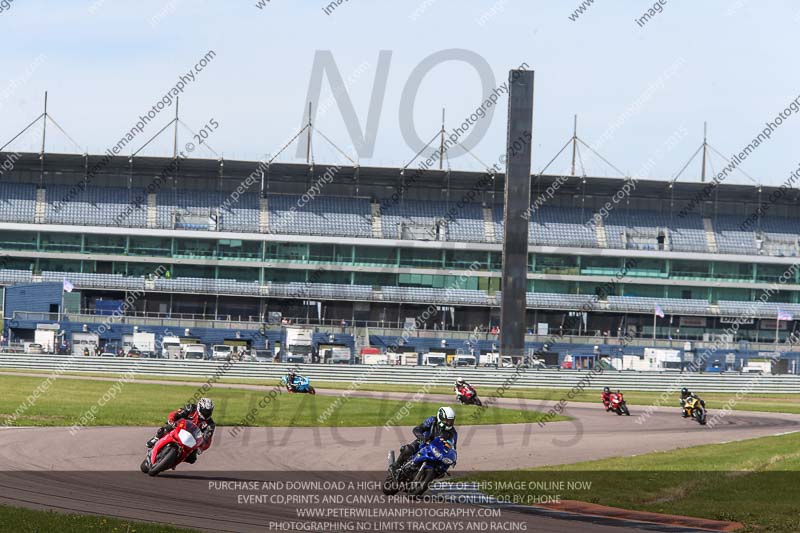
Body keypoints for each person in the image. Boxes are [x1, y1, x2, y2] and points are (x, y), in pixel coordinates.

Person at [146, 398, 215, 464]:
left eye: (208, 411)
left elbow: (207, 439)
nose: (206, 413)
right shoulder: (190, 408)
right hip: (179, 427)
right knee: (167, 428)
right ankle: (156, 438)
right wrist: (171, 420)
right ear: (199, 407)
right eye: (205, 411)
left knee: (192, 459)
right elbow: (176, 414)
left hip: (192, 439)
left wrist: (201, 448)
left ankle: (173, 460)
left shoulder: (210, 424)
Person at [392, 407, 457, 473]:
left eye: (451, 421)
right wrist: (422, 437)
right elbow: (417, 429)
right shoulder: (432, 421)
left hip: (437, 450)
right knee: (408, 449)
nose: (449, 423)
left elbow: (452, 448)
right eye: (447, 420)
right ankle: (395, 466)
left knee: (442, 468)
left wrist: (453, 458)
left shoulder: (453, 433)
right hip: (424, 442)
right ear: (440, 417)